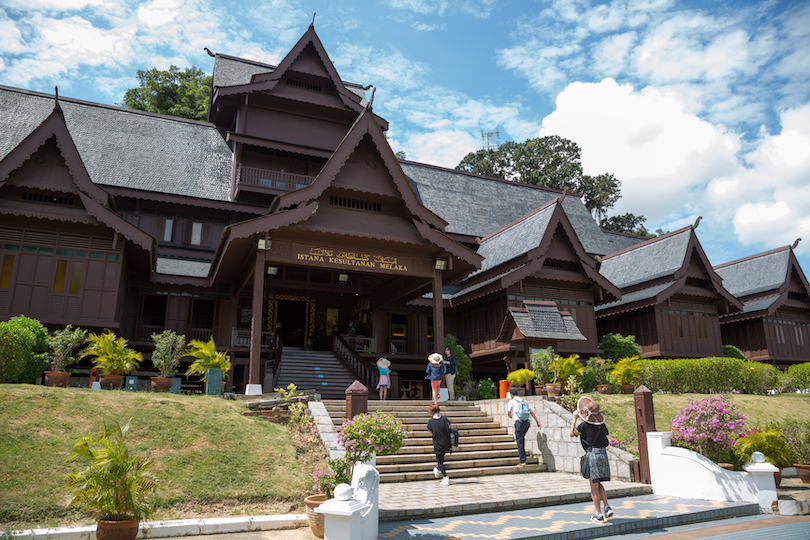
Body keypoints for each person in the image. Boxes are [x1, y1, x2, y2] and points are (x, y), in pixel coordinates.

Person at [569, 395, 613, 523]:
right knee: (598, 483)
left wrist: (574, 419)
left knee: (593, 487)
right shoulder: (602, 425)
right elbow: (605, 434)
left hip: (592, 455)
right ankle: (607, 506)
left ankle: (599, 514)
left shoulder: (584, 426)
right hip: (603, 454)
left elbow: (572, 434)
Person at [506, 388, 541, 467]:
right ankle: (523, 458)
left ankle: (523, 461)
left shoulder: (511, 402)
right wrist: (537, 422)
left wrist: (510, 415)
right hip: (527, 423)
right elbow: (531, 411)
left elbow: (508, 411)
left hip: (519, 423)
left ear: (511, 395)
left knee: (520, 442)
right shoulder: (524, 401)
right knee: (521, 439)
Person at [426, 402, 452, 485]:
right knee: (441, 459)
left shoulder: (431, 422)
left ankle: (445, 477)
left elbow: (431, 432)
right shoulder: (445, 419)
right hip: (447, 443)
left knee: (440, 461)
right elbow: (449, 428)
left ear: (431, 411)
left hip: (438, 443)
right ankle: (437, 469)